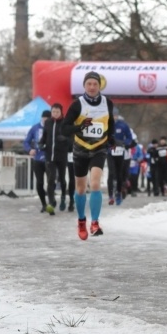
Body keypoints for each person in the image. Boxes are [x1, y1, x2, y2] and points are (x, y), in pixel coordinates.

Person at [62, 71, 115, 240]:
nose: (92, 87)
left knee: (95, 184)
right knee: (80, 188)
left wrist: (111, 138)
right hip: (81, 149)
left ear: (100, 86)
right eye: (89, 84)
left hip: (99, 148)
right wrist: (79, 128)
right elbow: (64, 128)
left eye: (95, 84)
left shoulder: (108, 103)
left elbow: (111, 122)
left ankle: (95, 223)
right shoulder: (77, 104)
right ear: (84, 86)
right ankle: (81, 221)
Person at [38, 103, 70, 213]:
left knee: (62, 179)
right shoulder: (48, 122)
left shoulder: (66, 123)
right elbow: (44, 136)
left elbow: (72, 139)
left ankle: (63, 198)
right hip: (49, 155)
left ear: (61, 112)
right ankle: (51, 202)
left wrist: (65, 139)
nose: (55, 114)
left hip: (61, 155)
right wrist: (41, 144)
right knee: (50, 179)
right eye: (53, 112)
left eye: (57, 112)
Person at [23, 109, 51, 214]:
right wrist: (29, 149)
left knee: (51, 182)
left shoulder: (53, 127)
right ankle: (44, 204)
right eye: (44, 119)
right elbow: (26, 141)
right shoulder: (35, 128)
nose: (46, 121)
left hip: (49, 160)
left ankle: (51, 202)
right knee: (39, 183)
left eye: (48, 119)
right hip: (37, 160)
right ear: (42, 118)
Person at [107, 110, 134, 205]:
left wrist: (124, 143)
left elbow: (130, 137)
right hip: (110, 152)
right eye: (112, 115)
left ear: (117, 116)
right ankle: (110, 195)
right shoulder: (106, 124)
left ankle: (118, 193)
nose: (114, 117)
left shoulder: (123, 125)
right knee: (111, 172)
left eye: (115, 116)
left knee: (119, 173)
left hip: (120, 152)